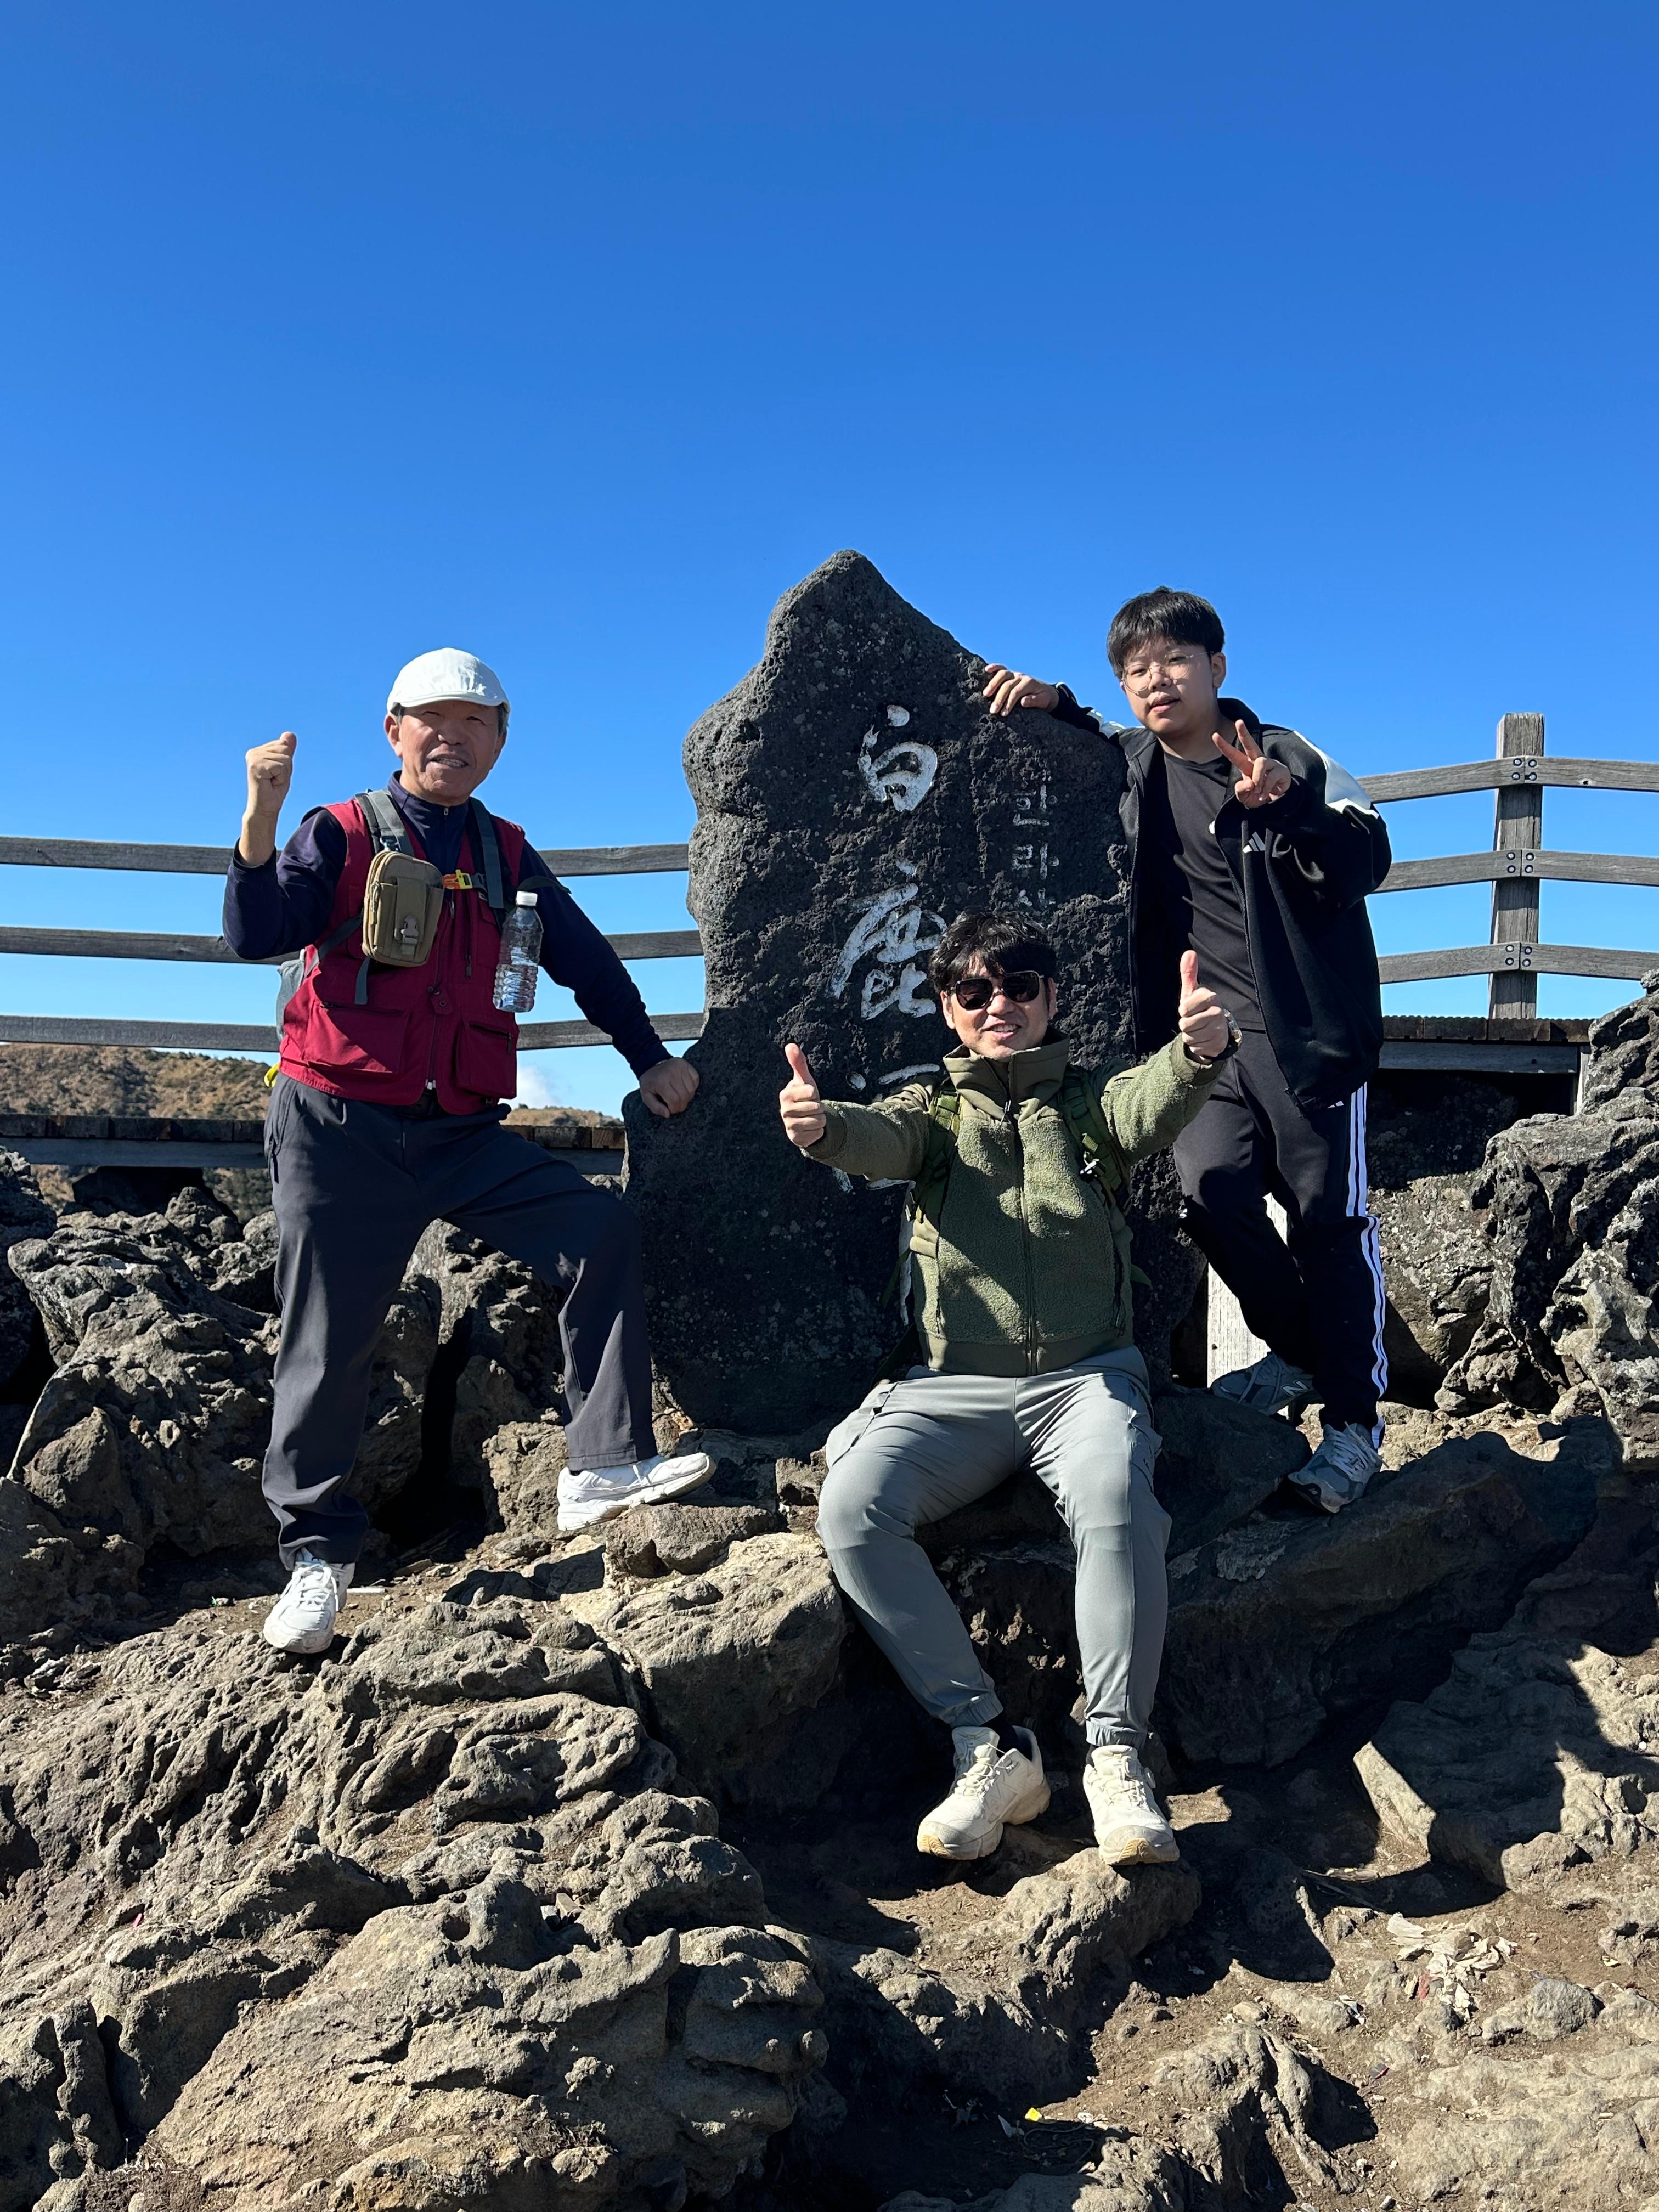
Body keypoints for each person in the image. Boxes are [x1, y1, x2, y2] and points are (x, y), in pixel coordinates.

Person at [226, 647, 713, 1656]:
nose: (453, 737)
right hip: (338, 1127)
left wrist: (649, 1058)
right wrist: (261, 816)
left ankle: (602, 1465)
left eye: (475, 722)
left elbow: (585, 959)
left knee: (599, 1229)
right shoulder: (339, 830)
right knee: (328, 1339)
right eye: (433, 720)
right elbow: (254, 933)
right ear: (395, 730)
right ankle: (317, 1557)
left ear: (499, 740)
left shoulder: (505, 853)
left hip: (458, 1131)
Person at [780, 911, 1234, 1865]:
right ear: (948, 1009)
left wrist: (1197, 1055)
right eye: (975, 992)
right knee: (854, 1508)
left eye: (1020, 987)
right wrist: (824, 1130)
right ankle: (989, 1745)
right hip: (955, 1390)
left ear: (1051, 997)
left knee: (1115, 1499)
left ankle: (1116, 1755)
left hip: (1087, 1380)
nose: (999, 1007)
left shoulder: (1088, 1105)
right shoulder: (935, 1114)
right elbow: (879, 1138)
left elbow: (1148, 1104)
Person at [981, 588, 1392, 1512]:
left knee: (1329, 1222)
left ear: (1217, 666)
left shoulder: (1283, 754)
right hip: (1201, 1037)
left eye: (1174, 660)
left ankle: (1356, 1426)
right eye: (1136, 670)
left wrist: (1287, 807)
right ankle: (1304, 1354)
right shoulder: (1135, 763)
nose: (1156, 681)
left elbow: (1369, 857)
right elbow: (1095, 738)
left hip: (1306, 1033)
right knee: (1211, 1202)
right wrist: (1054, 701)